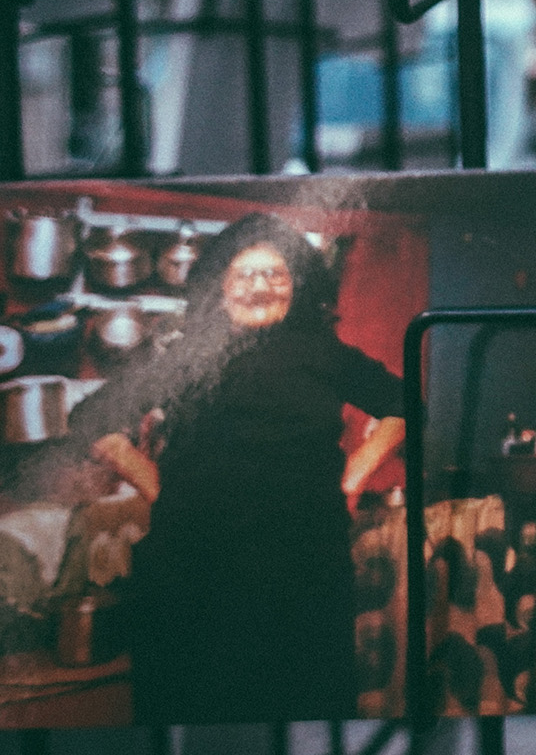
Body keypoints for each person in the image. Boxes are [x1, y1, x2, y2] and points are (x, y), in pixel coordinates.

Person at [69, 214, 406, 724]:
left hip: (303, 562)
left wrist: (355, 474)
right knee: (194, 710)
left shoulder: (322, 352)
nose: (260, 286)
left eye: (275, 274)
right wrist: (157, 487)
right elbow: (91, 418)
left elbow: (405, 405)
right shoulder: (188, 357)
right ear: (218, 288)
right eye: (244, 274)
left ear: (298, 285)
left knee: (304, 708)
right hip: (195, 562)